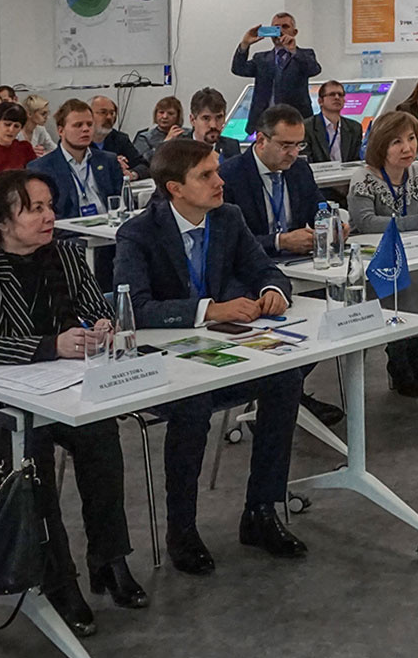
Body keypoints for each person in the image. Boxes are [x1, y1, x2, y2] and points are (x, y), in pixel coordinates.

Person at [0, 168, 145, 632]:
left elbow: (97, 308)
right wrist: (50, 345)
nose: (48, 217)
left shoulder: (66, 255)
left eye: (49, 206)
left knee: (100, 430)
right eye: (34, 209)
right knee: (28, 445)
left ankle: (109, 558)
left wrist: (103, 326)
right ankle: (57, 577)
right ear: (2, 223)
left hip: (49, 389)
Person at [115, 138, 306, 575]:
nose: (220, 181)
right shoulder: (138, 233)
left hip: (220, 351)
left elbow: (266, 269)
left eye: (217, 171)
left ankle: (261, 510)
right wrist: (208, 310)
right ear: (174, 188)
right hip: (164, 363)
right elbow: (134, 308)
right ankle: (182, 529)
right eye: (206, 175)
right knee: (193, 403)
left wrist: (273, 291)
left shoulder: (228, 217)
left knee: (285, 378)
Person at [220, 104, 347, 426]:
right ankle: (281, 394)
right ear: (261, 140)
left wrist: (332, 225)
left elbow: (318, 208)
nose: (294, 153)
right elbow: (228, 243)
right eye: (286, 145)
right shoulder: (230, 175)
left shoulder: (299, 170)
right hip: (251, 271)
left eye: (299, 145)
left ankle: (286, 391)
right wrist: (279, 241)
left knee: (332, 315)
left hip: (301, 265)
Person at [347, 111, 418, 397]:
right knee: (406, 294)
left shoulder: (417, 173)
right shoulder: (363, 178)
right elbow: (366, 222)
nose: (407, 148)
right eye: (397, 142)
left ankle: (410, 356)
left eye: (412, 139)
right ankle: (398, 358)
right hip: (374, 264)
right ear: (381, 145)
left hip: (411, 257)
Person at [27, 99, 126, 285]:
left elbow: (121, 202)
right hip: (69, 235)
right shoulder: (41, 168)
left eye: (89, 124)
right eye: (78, 125)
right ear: (61, 130)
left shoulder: (108, 160)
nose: (86, 129)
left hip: (109, 231)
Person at [233, 12, 322, 134]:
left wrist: (293, 51)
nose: (280, 31)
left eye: (285, 27)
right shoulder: (261, 58)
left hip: (296, 119)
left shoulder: (304, 55)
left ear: (294, 32)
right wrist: (245, 44)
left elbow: (314, 69)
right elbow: (238, 69)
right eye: (276, 28)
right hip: (264, 121)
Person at [303, 80, 364, 164]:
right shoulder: (307, 127)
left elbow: (356, 160)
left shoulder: (354, 128)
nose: (337, 97)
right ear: (320, 101)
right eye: (332, 94)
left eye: (340, 95)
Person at [88, 96, 145, 176]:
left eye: (112, 113)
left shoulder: (120, 139)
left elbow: (144, 165)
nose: (109, 117)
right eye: (103, 112)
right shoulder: (79, 141)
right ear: (88, 115)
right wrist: (111, 162)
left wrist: (131, 174)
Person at [188, 87, 245, 159]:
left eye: (219, 117)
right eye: (206, 118)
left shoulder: (231, 147)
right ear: (193, 120)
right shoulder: (178, 147)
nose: (213, 125)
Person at [131, 95, 186, 161]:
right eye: (161, 112)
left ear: (178, 116)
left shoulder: (187, 135)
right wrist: (165, 143)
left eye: (170, 113)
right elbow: (141, 161)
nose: (165, 116)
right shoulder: (144, 137)